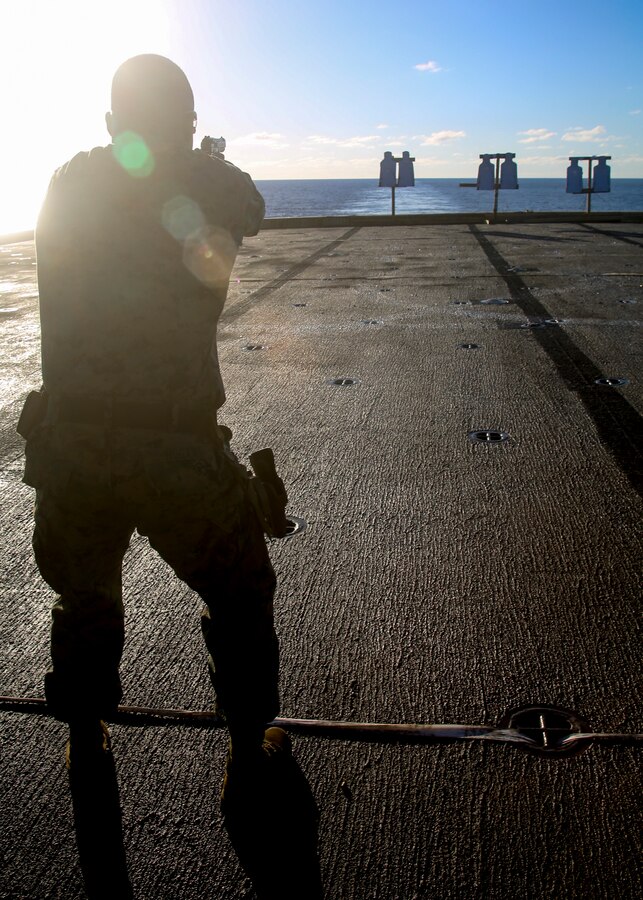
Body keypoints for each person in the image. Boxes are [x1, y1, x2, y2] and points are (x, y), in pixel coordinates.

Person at [21, 54, 288, 794]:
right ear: (190, 123)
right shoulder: (209, 182)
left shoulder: (68, 181)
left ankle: (84, 733)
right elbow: (254, 210)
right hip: (173, 450)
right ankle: (244, 744)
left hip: (71, 446)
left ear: (111, 124)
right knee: (238, 594)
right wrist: (201, 156)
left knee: (86, 597)